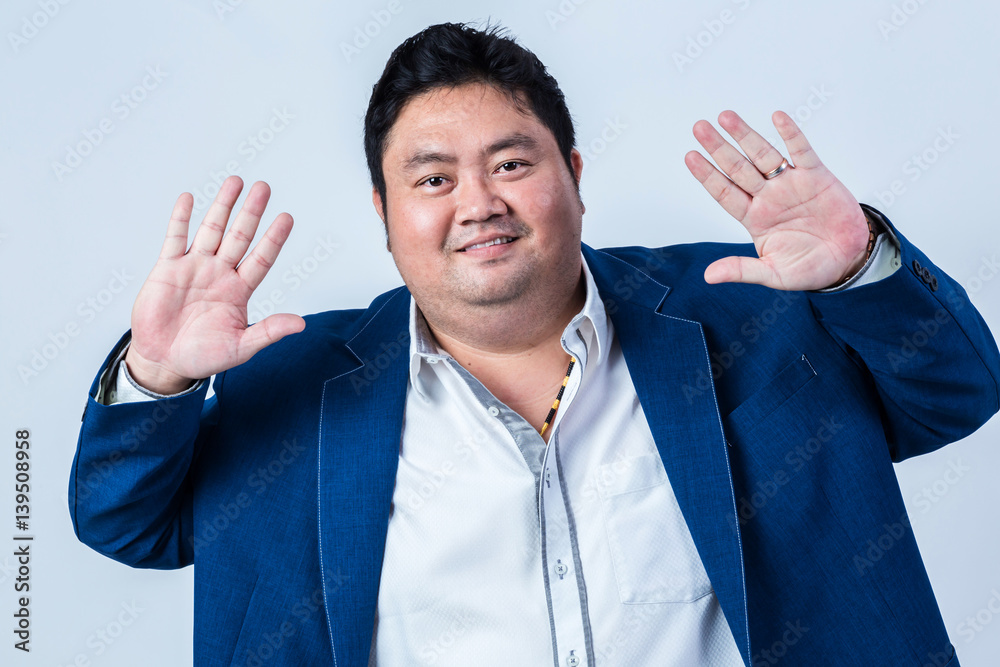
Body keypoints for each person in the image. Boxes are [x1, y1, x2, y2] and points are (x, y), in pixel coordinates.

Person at [69, 21, 998, 667]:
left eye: (512, 162)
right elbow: (131, 524)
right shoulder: (291, 381)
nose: (479, 202)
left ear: (574, 176)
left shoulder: (748, 306)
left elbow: (954, 393)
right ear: (386, 216)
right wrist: (156, 378)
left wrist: (856, 271)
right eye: (432, 177)